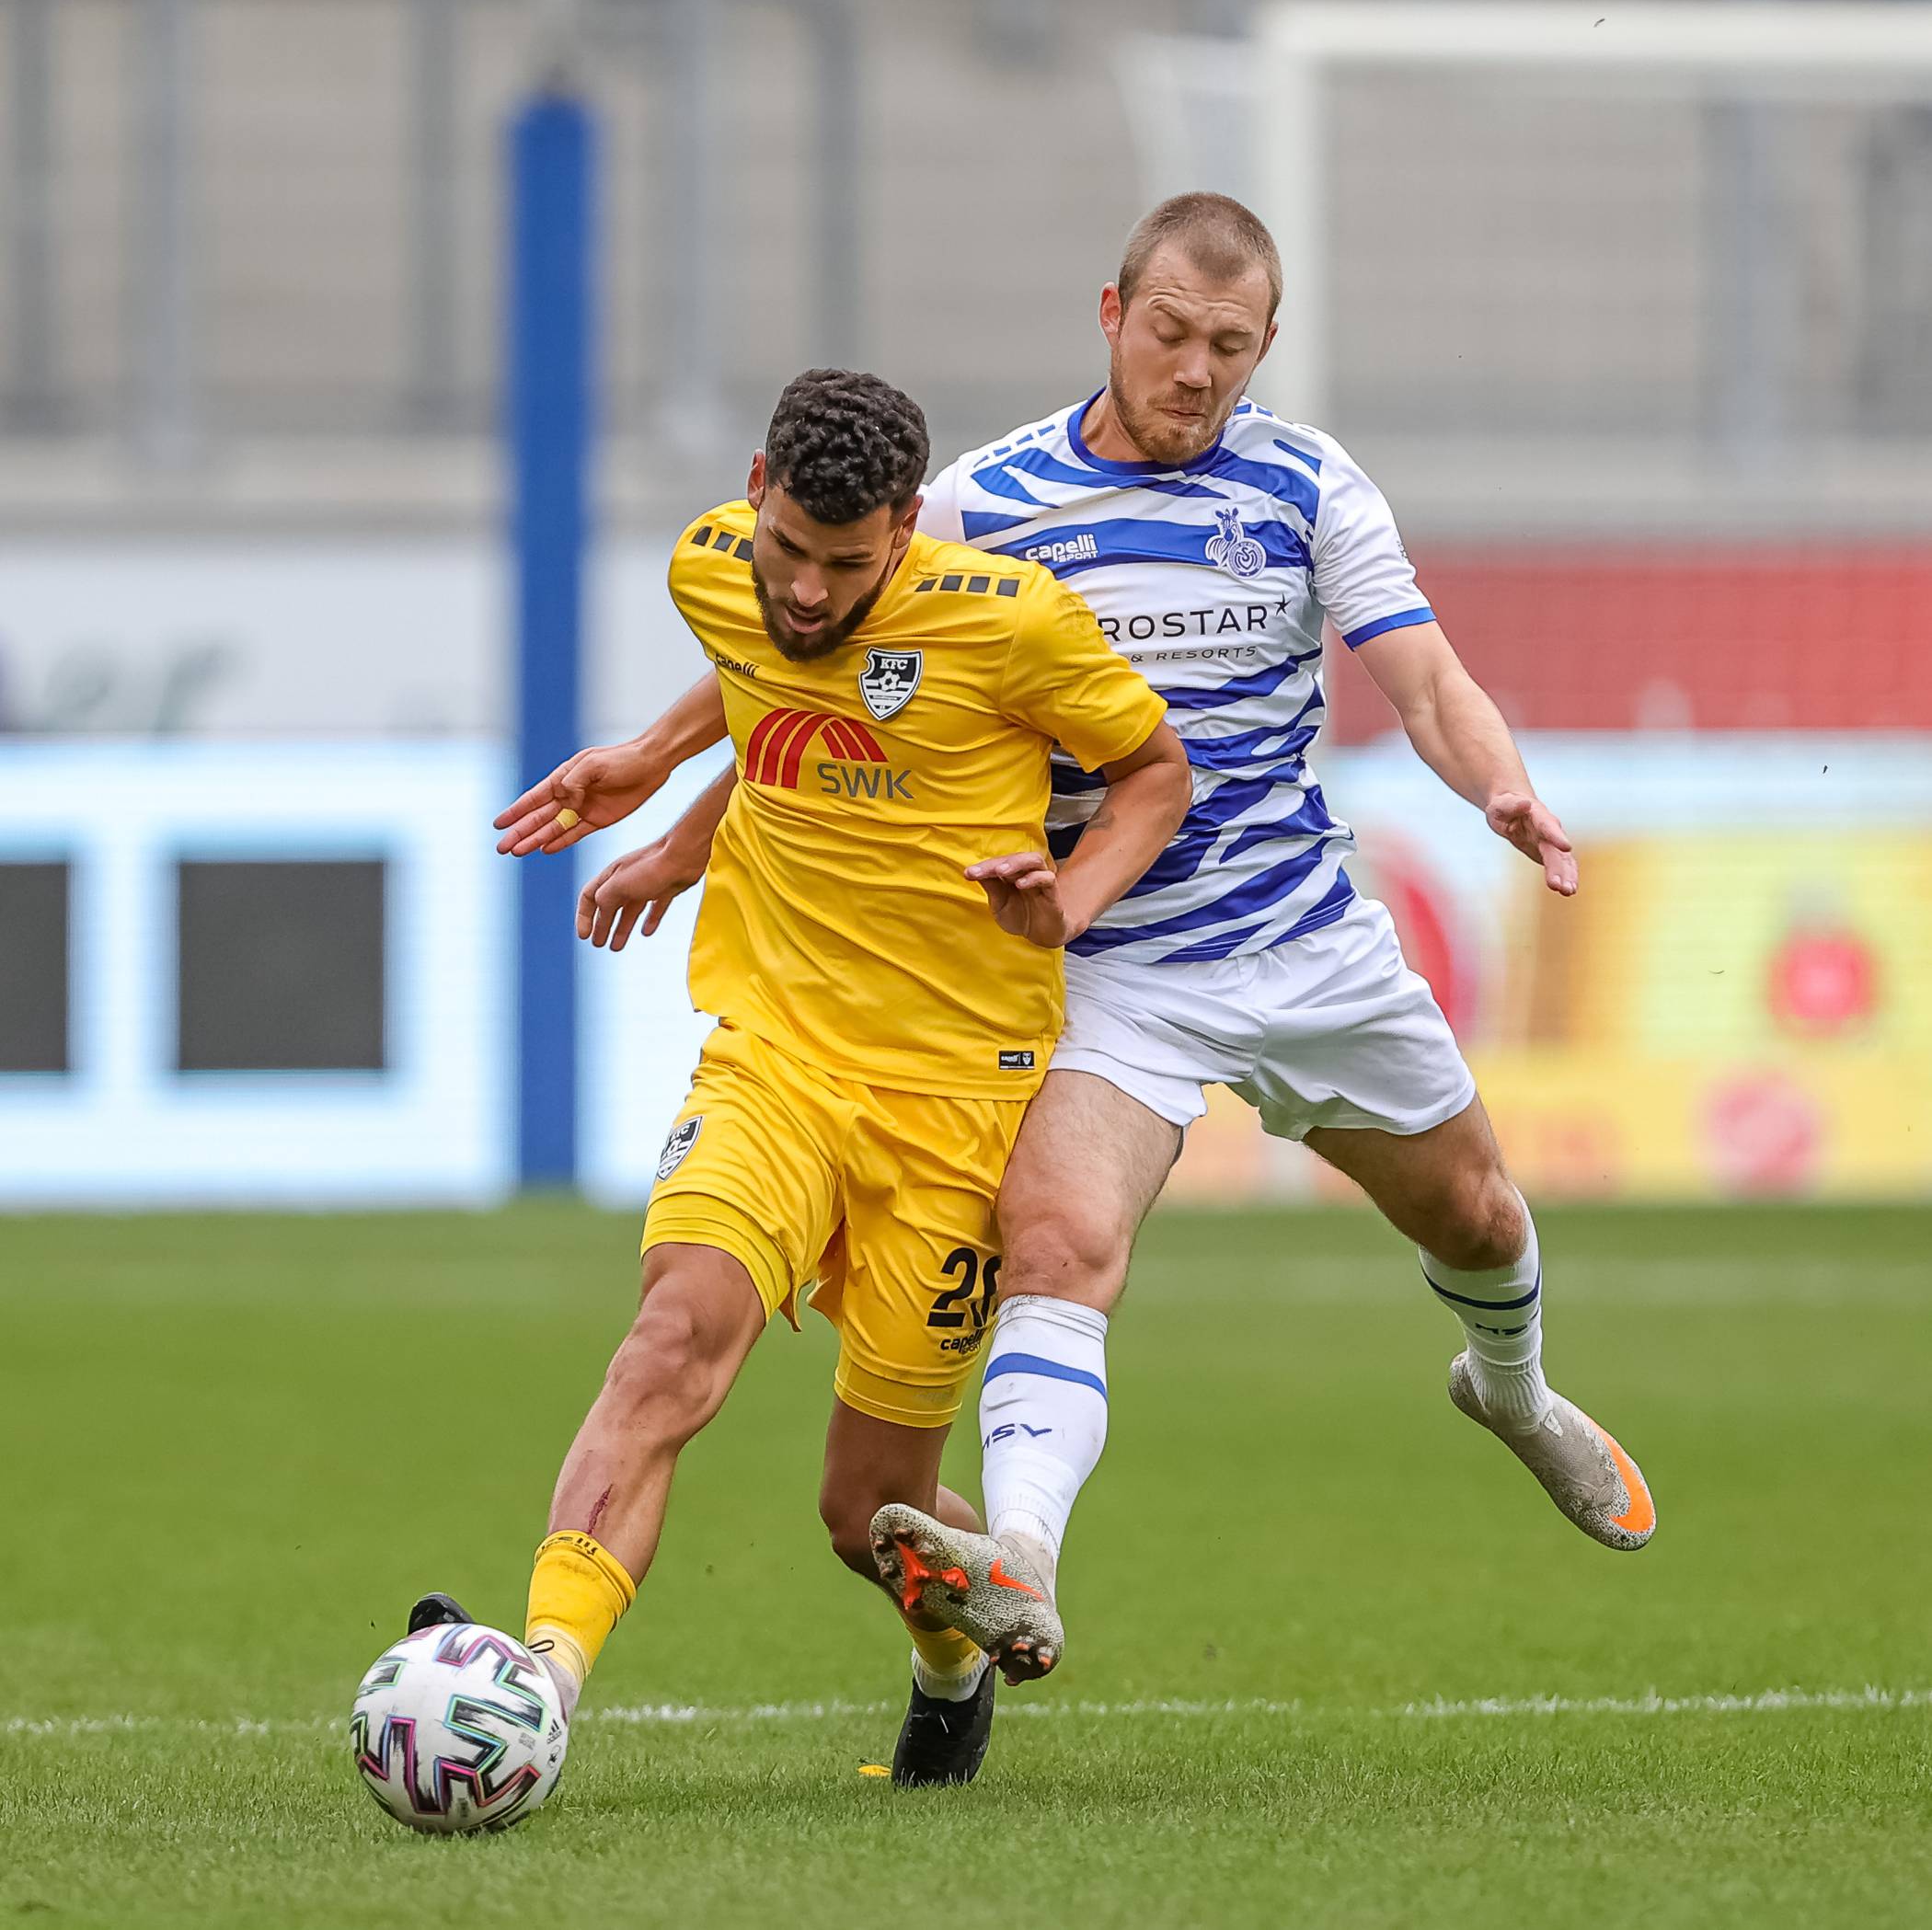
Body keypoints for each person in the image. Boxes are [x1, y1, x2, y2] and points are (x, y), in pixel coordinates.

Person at [493, 194, 1655, 1694]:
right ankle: (1019, 1562)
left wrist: (1498, 781)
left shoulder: (1308, 485)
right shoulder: (985, 501)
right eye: (1169, 331)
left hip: (1302, 938)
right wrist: (665, 781)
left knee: (1482, 1220)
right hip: (1102, 958)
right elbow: (821, 661)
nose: (1193, 368)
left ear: (1265, 348)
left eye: (1226, 346)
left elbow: (1424, 679)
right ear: (1112, 315)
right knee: (1058, 1245)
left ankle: (1516, 1395)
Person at [419, 368, 1190, 1787]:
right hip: (773, 1056)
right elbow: (765, 676)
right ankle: (537, 1684)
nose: (811, 592)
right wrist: (656, 783)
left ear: (908, 526)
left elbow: (1156, 773)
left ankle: (951, 1667)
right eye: (789, 549)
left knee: (869, 1514)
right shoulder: (710, 566)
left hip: (962, 1096)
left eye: (847, 566)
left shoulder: (1007, 622)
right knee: (671, 1338)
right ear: (757, 483)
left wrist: (1067, 905)